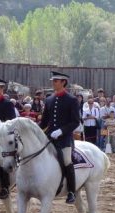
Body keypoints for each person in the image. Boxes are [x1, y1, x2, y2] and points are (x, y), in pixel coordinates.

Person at [39, 71, 80, 204]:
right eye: (53, 81)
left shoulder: (72, 100)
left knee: (67, 160)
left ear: (63, 82)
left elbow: (75, 122)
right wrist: (34, 129)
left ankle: (71, 192)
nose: (53, 83)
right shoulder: (49, 99)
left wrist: (61, 131)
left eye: (56, 81)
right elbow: (44, 122)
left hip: (64, 139)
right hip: (49, 137)